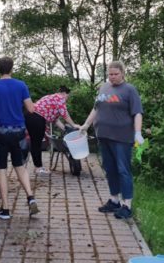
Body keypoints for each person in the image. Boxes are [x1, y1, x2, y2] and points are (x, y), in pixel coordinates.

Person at [80, 60, 144, 219]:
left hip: (122, 138)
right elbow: (96, 108)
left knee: (123, 170)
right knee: (109, 169)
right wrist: (86, 125)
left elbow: (137, 113)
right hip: (103, 135)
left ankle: (127, 205)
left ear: (122, 73)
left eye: (115, 74)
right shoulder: (104, 87)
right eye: (110, 74)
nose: (112, 77)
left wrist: (137, 133)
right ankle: (114, 200)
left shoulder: (129, 90)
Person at [0, 56, 40, 220]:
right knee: (20, 166)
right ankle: (31, 197)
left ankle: (6, 209)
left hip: (1, 134)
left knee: (1, 169)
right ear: (11, 69)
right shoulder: (21, 85)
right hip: (18, 132)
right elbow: (31, 109)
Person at [25, 86, 80, 175]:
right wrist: (73, 125)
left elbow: (55, 120)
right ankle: (38, 168)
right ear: (64, 93)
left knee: (35, 143)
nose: (66, 99)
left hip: (31, 116)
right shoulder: (60, 98)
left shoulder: (51, 98)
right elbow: (65, 114)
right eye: (67, 96)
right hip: (37, 118)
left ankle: (37, 167)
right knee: (36, 144)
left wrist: (65, 129)